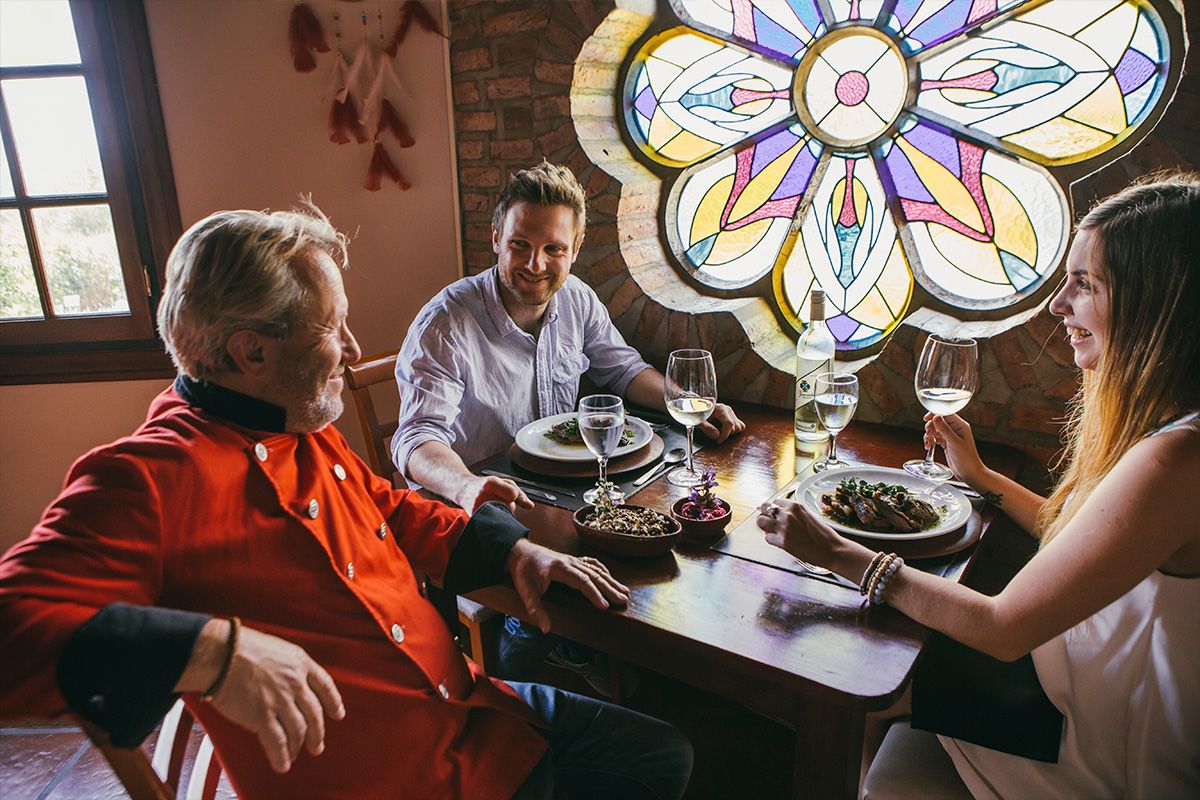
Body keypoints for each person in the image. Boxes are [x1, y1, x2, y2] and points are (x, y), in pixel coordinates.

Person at [0, 204, 693, 800]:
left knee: (664, 755)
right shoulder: (149, 476)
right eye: (332, 328)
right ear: (249, 353)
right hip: (391, 777)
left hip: (460, 710)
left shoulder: (294, 421)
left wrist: (514, 548)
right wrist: (210, 651)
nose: (353, 349)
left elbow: (390, 510)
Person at [757, 174, 1200, 797]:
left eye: (1087, 284)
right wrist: (984, 479)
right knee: (885, 672)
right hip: (1071, 675)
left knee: (860, 671)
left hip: (1091, 734)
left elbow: (1002, 627)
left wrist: (834, 551)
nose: (1058, 305)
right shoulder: (1170, 427)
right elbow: (1083, 541)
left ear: (1157, 307)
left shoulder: (1177, 459)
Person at [393, 162, 745, 688]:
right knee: (601, 569)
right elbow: (416, 440)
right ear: (495, 240)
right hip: (478, 509)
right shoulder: (448, 322)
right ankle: (528, 663)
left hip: (559, 495)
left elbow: (622, 369)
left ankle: (596, 660)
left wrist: (685, 401)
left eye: (553, 249)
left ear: (574, 249)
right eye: (519, 245)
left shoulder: (576, 298)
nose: (535, 264)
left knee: (663, 551)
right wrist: (469, 486)